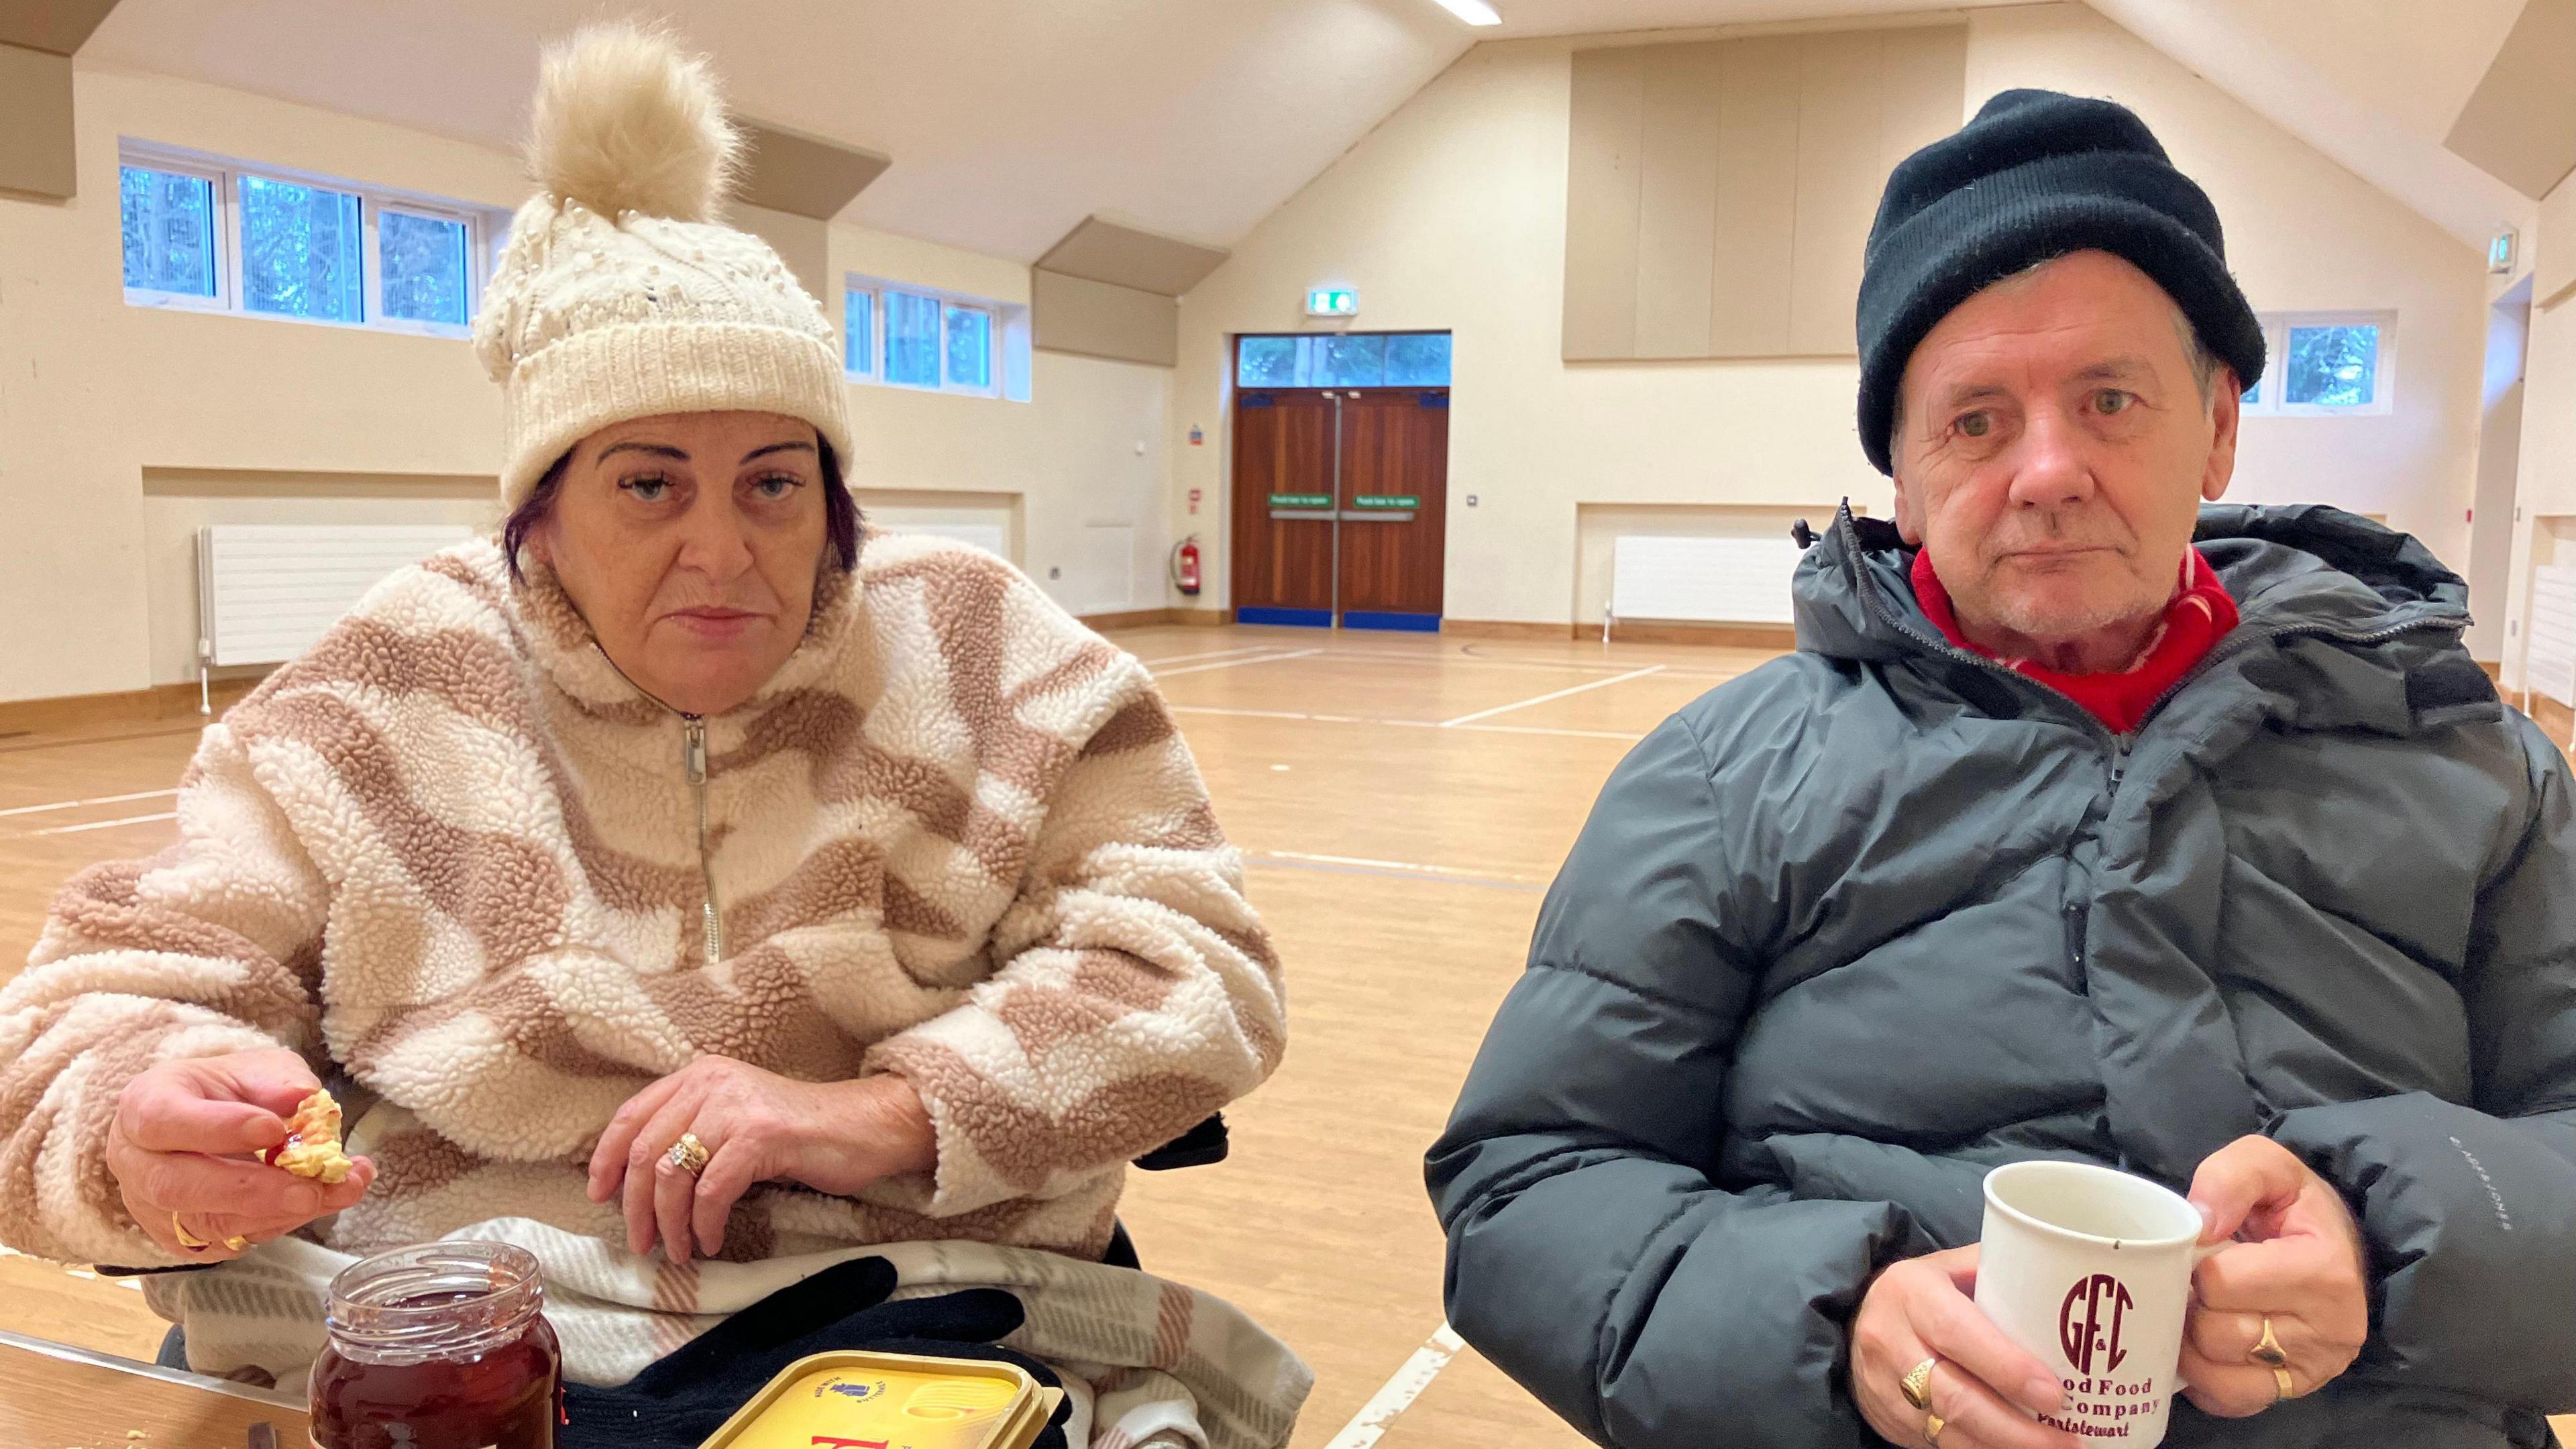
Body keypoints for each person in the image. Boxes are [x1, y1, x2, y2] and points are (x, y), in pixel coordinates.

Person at [0, 20, 1283, 1334]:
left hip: (933, 1297)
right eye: (650, 485)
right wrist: (137, 1116)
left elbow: (1198, 963)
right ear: (541, 514)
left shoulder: (982, 652)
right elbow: (99, 1004)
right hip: (481, 1324)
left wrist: (884, 1112)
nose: (721, 551)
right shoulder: (388, 691)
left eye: (774, 485)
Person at [1428, 89, 2576, 1449]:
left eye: (2110, 399)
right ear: (1902, 479)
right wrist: (1830, 1326)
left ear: (2218, 425)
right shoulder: (1727, 776)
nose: (2047, 471)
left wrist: (2398, 1240)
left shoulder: (2471, 763)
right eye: (1975, 420)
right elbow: (1530, 1185)